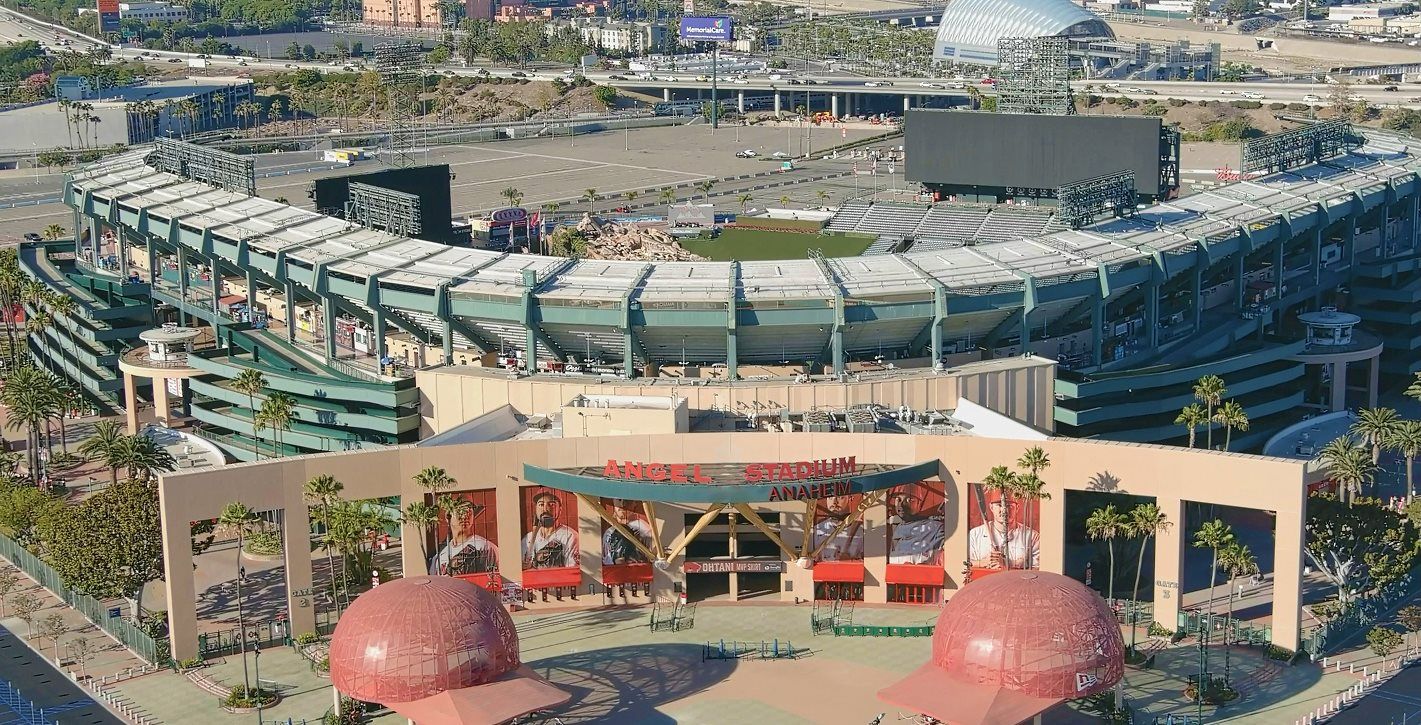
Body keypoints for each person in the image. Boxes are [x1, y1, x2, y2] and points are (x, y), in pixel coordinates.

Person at [967, 488, 1039, 571]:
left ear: (1017, 508)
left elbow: (1037, 570)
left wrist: (1009, 564)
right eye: (1000, 505)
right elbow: (963, 563)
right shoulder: (975, 534)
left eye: (1009, 506)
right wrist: (982, 563)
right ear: (991, 507)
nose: (1004, 510)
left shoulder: (1032, 536)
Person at [429, 500, 499, 577]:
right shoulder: (439, 554)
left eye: (469, 513)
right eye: (460, 512)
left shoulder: (484, 547)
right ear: (448, 517)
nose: (465, 517)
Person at [522, 490, 580, 569]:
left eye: (551, 504)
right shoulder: (528, 538)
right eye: (541, 504)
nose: (545, 509)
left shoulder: (570, 536)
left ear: (560, 509)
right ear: (535, 509)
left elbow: (572, 572)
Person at [887, 489, 945, 565]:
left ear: (920, 503)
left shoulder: (935, 528)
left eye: (910, 500)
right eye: (898, 500)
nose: (901, 505)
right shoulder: (894, 528)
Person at [812, 495, 864, 561]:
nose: (834, 502)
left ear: (850, 498)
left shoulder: (861, 531)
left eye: (840, 497)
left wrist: (850, 561)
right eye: (830, 498)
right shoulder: (817, 530)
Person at [602, 498, 653, 565]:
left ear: (635, 503)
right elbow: (606, 559)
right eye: (619, 500)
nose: (622, 504)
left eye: (627, 500)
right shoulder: (609, 532)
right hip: (616, 572)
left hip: (637, 571)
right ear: (613, 502)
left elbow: (651, 557)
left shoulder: (644, 528)